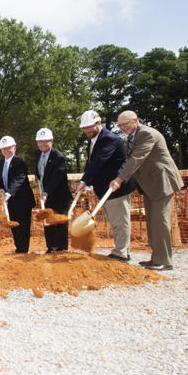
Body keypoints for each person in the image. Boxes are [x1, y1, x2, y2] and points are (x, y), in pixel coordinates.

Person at [110, 110, 184, 271]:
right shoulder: (133, 136)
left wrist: (119, 179)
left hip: (162, 182)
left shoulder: (146, 134)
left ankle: (165, 261)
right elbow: (131, 160)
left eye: (126, 124)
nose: (123, 128)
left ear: (136, 120)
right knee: (152, 222)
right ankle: (156, 258)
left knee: (161, 222)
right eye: (120, 125)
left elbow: (136, 158)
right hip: (151, 185)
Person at [77, 110, 137, 262]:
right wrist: (86, 181)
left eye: (90, 126)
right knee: (115, 220)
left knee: (119, 221)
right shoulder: (94, 140)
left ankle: (122, 253)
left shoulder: (108, 139)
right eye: (85, 127)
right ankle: (122, 250)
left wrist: (85, 180)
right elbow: (91, 163)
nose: (87, 130)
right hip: (106, 189)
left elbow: (98, 162)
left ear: (99, 123)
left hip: (116, 187)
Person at [0, 135, 35, 253]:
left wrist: (8, 193)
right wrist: (0, 189)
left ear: (14, 148)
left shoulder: (19, 161)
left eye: (9, 148)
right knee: (14, 226)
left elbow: (19, 179)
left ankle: (23, 250)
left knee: (23, 226)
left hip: (22, 200)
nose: (6, 150)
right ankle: (19, 248)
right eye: (4, 148)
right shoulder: (1, 162)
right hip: (10, 201)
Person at [34, 128, 72, 253]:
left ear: (52, 141)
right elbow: (40, 169)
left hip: (59, 196)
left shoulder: (58, 157)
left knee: (60, 221)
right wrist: (38, 176)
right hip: (46, 195)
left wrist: (46, 192)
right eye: (40, 141)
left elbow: (56, 177)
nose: (43, 144)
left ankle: (62, 249)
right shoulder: (38, 153)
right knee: (48, 221)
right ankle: (51, 247)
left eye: (46, 141)